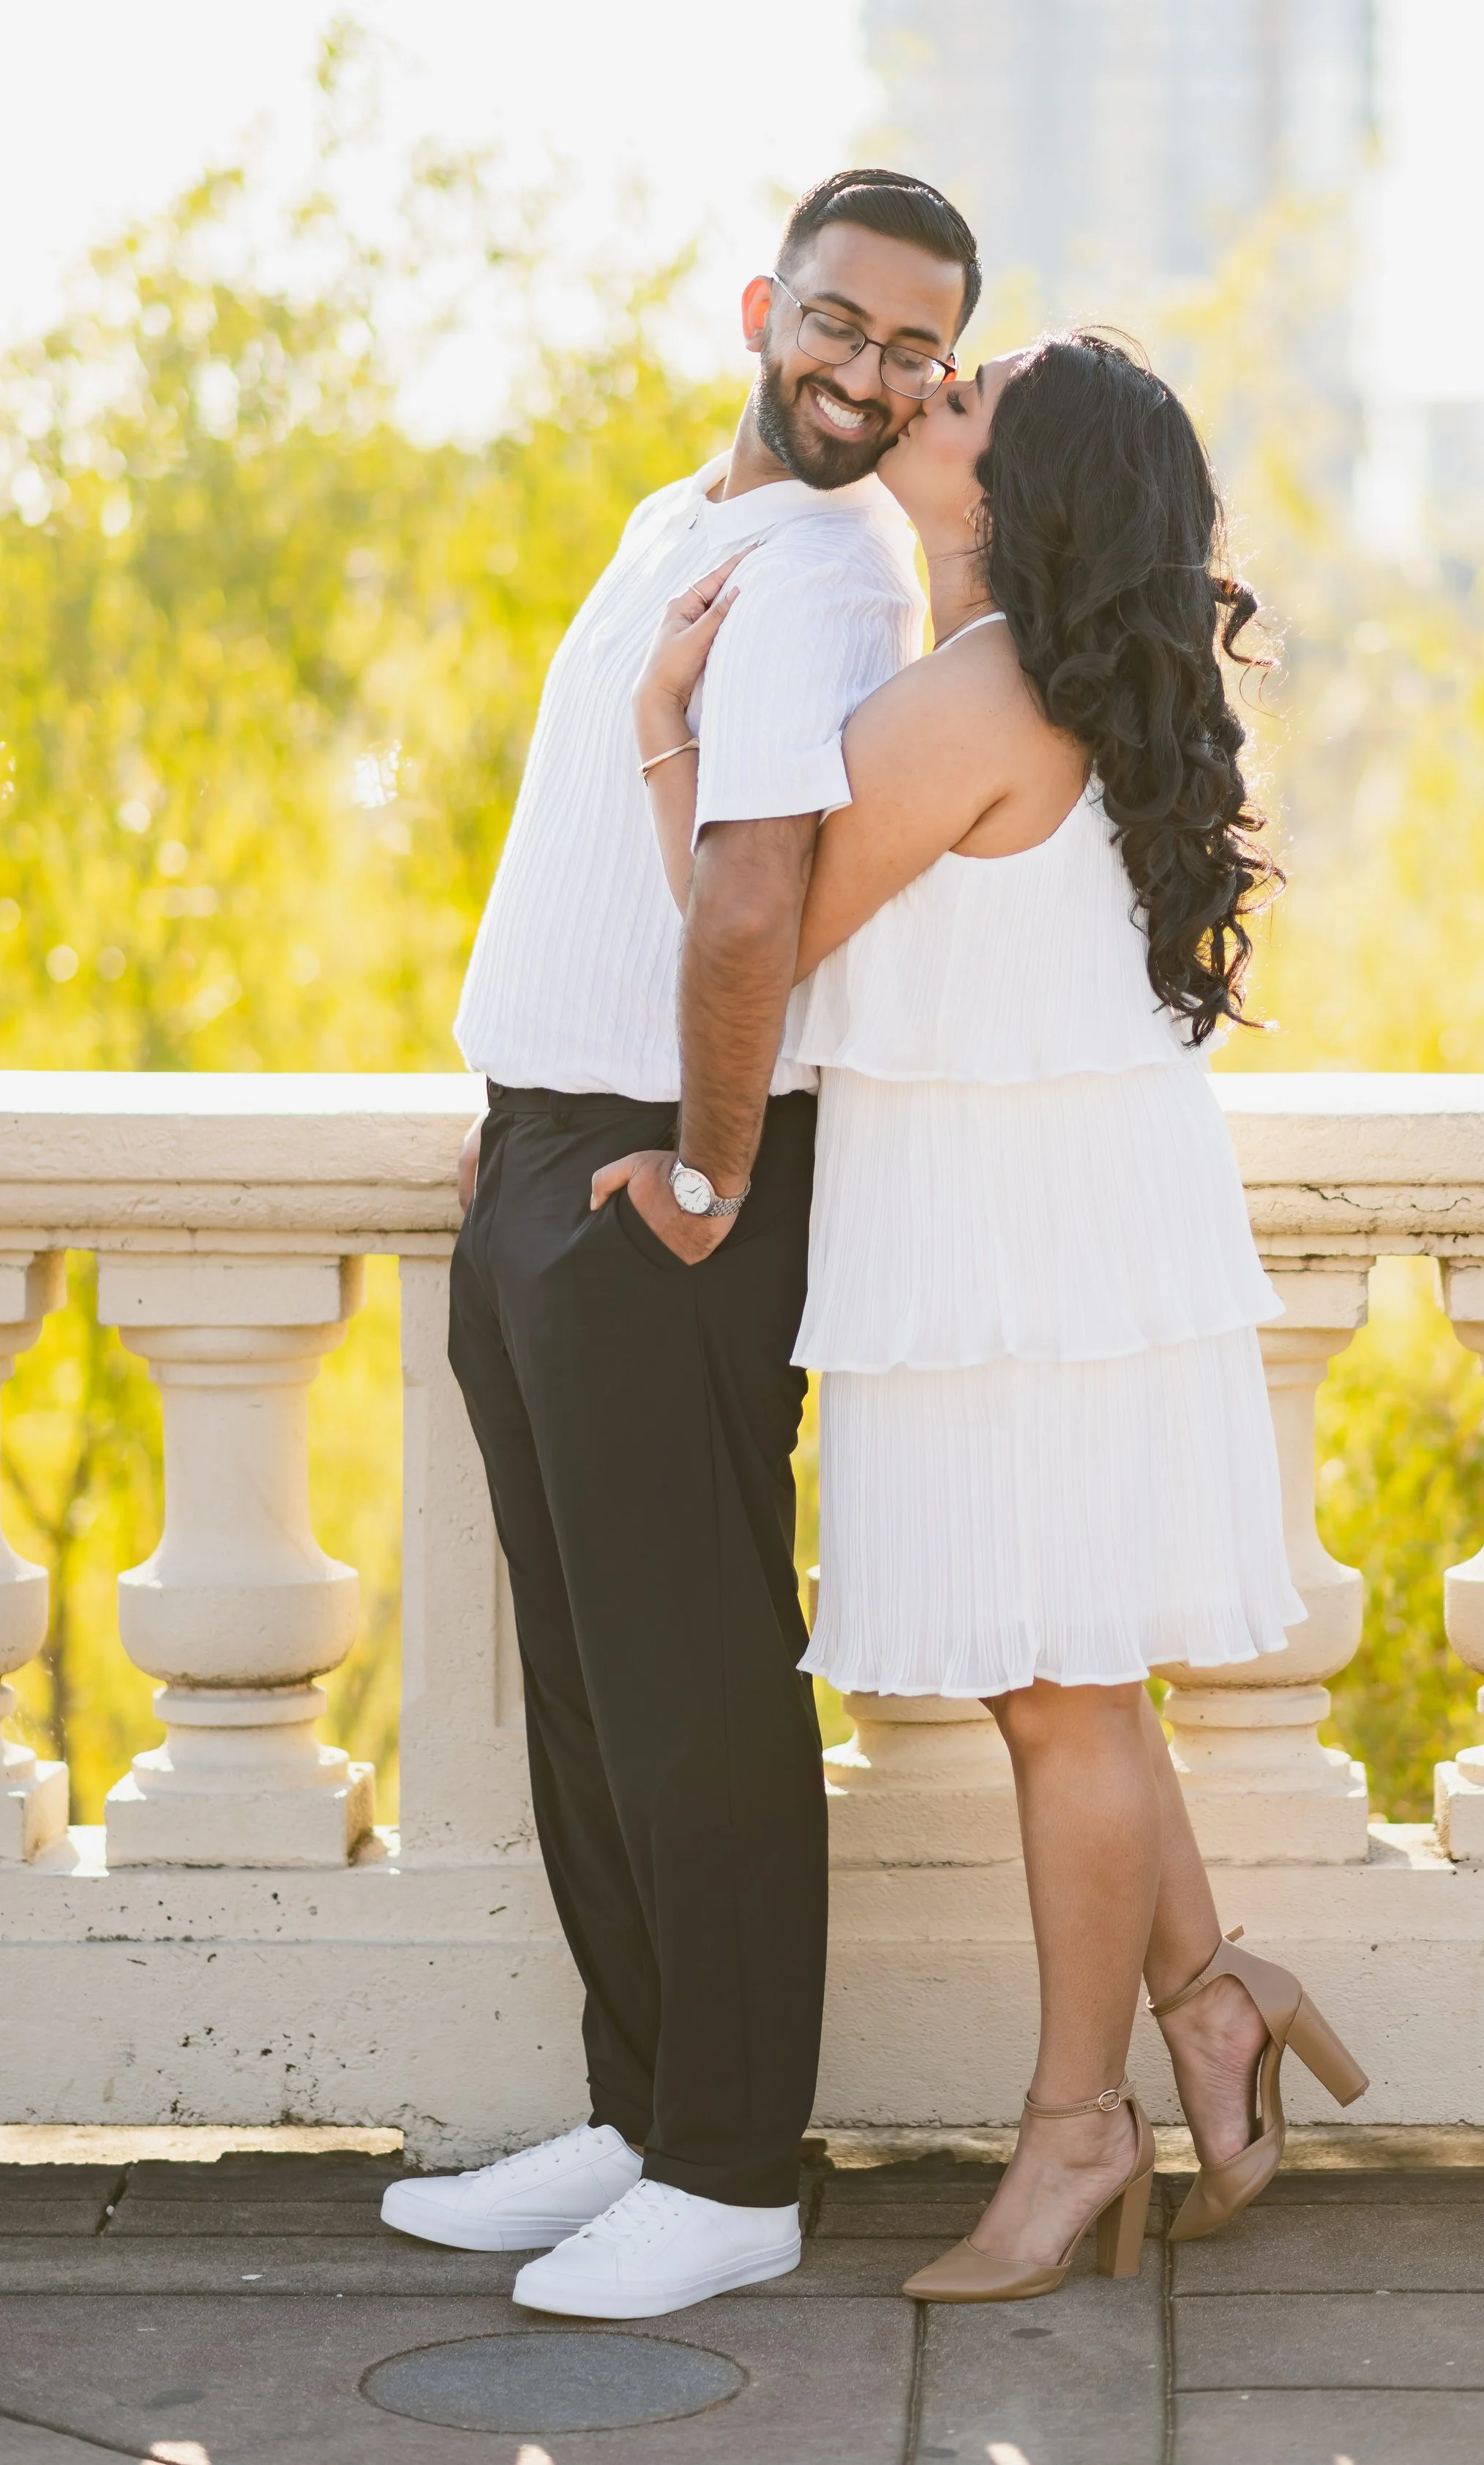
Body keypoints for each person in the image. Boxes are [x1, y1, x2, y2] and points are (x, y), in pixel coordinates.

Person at [618, 331, 1368, 2305]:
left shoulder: (968, 691)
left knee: (1053, 1693)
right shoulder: (1076, 679)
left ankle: (1074, 2129)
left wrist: (665, 734)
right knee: (1075, 1673)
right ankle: (1210, 1999)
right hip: (1067, 1202)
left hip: (1004, 1222)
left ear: (1012, 494)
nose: (913, 411)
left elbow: (753, 921)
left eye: (957, 407)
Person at [378, 171, 981, 2322]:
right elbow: (593, 864)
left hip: (666, 1180)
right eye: (840, 323)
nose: (867, 373)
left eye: (914, 351)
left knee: (695, 1685)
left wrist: (707, 1173)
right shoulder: (681, 522)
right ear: (763, 306)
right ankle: (641, 2118)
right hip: (551, 1155)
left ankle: (729, 2167)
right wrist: (514, 1115)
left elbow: (750, 899)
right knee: (590, 1685)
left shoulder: (828, 573)